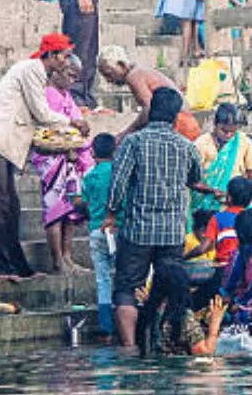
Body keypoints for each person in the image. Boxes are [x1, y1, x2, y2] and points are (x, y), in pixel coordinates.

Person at [104, 87, 213, 349]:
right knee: (170, 287)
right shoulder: (186, 147)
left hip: (137, 230)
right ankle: (171, 340)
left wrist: (110, 213)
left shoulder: (134, 143)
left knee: (127, 287)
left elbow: (118, 184)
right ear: (176, 118)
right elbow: (195, 178)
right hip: (173, 233)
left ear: (151, 113)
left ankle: (130, 347)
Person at [0, 33, 84, 280]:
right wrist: (73, 122)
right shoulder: (33, 68)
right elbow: (42, 113)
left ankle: (17, 266)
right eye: (64, 56)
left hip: (2, 145)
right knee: (0, 206)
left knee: (11, 207)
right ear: (51, 56)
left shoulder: (35, 72)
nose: (66, 62)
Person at [30, 57, 94, 274]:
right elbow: (48, 129)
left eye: (76, 77)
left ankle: (68, 257)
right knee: (55, 210)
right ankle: (57, 260)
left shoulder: (67, 96)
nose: (72, 81)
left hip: (70, 160)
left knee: (70, 211)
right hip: (53, 160)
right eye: (70, 74)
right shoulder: (47, 95)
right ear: (56, 71)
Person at [98, 45, 201, 141]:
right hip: (185, 123)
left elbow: (148, 110)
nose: (109, 80)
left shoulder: (133, 77)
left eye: (109, 74)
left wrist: (125, 134)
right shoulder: (139, 71)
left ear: (122, 65)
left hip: (180, 124)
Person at [136, 262, 225, 356]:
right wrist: (215, 323)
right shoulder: (184, 317)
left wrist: (150, 301)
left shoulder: (151, 312)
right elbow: (204, 353)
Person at [79, 133, 117, 338]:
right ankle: (125, 321)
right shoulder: (118, 173)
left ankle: (106, 327)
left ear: (92, 152)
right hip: (118, 229)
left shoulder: (89, 175)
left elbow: (82, 202)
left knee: (103, 279)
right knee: (122, 276)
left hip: (96, 229)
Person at [191, 105, 252, 213]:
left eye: (232, 132)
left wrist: (242, 196)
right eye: (224, 130)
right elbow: (191, 180)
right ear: (215, 124)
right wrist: (212, 191)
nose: (228, 135)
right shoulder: (201, 144)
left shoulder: (244, 142)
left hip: (236, 204)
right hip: (205, 204)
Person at [185, 176, 252, 265]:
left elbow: (203, 248)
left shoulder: (217, 218)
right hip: (247, 266)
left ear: (229, 197)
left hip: (224, 267)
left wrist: (184, 257)